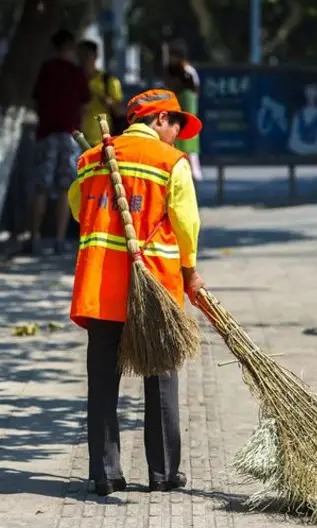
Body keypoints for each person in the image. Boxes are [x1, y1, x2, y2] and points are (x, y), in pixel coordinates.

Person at [67, 89, 206, 496]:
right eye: (176, 123)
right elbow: (186, 224)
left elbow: (79, 210)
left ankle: (105, 473)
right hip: (156, 289)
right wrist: (192, 272)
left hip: (102, 287)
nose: (178, 134)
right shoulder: (169, 163)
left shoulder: (92, 160)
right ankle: (163, 473)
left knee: (103, 381)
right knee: (160, 375)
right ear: (159, 119)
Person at [26, 29, 91, 256]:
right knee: (66, 189)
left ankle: (34, 237)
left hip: (46, 134)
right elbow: (83, 105)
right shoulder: (76, 73)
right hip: (69, 136)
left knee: (41, 188)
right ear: (71, 48)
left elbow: (35, 102)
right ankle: (60, 239)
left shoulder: (45, 70)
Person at [165, 40, 204, 182]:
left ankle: (194, 174)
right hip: (175, 121)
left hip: (187, 119)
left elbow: (192, 94)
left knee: (190, 151)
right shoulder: (172, 72)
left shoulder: (188, 73)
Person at [77, 39, 125, 147]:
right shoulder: (73, 80)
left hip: (100, 141)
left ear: (95, 56)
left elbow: (120, 112)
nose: (83, 60)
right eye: (80, 55)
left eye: (87, 55)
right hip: (76, 140)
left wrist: (107, 101)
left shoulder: (108, 81)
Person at [288, 83, 317, 156]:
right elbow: (292, 143)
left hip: (315, 161)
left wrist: (300, 147)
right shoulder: (298, 115)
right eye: (309, 91)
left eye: (313, 91)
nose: (311, 95)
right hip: (297, 159)